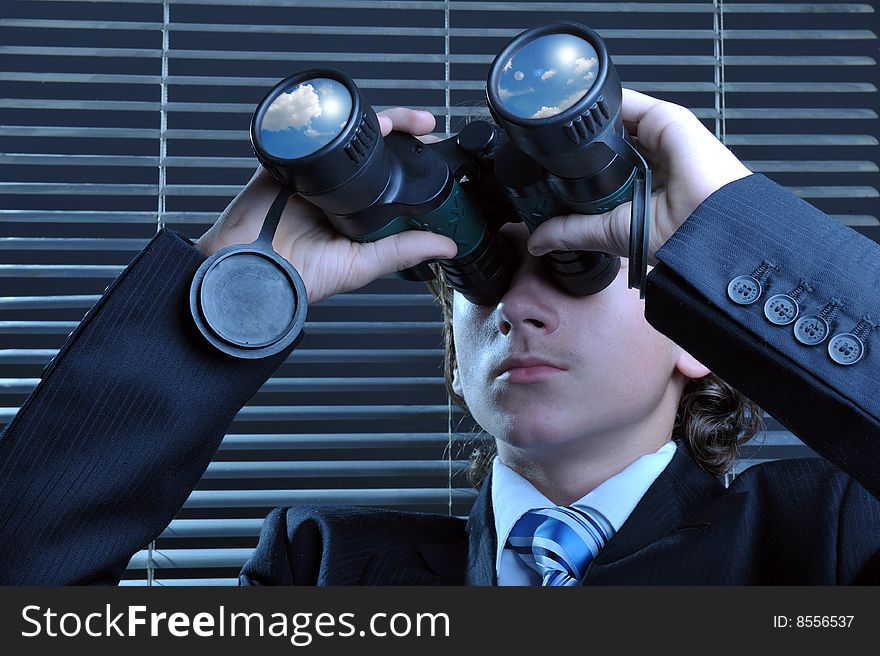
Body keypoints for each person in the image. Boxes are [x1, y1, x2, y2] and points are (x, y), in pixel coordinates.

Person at [0, 90, 877, 585]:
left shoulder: (824, 539)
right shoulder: (322, 569)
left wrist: (724, 237)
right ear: (454, 345)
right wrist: (224, 296)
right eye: (480, 275)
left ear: (699, 339)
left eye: (580, 267)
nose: (516, 306)